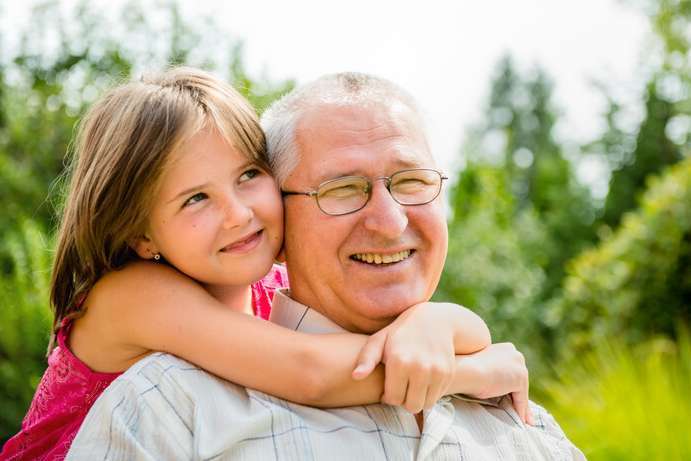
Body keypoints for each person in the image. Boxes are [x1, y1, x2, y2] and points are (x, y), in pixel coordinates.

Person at [1, 68, 529, 461]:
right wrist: (463, 371)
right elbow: (310, 372)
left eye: (248, 175)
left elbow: (448, 326)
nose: (238, 214)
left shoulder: (270, 286)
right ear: (140, 234)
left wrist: (431, 321)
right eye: (195, 200)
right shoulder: (130, 296)